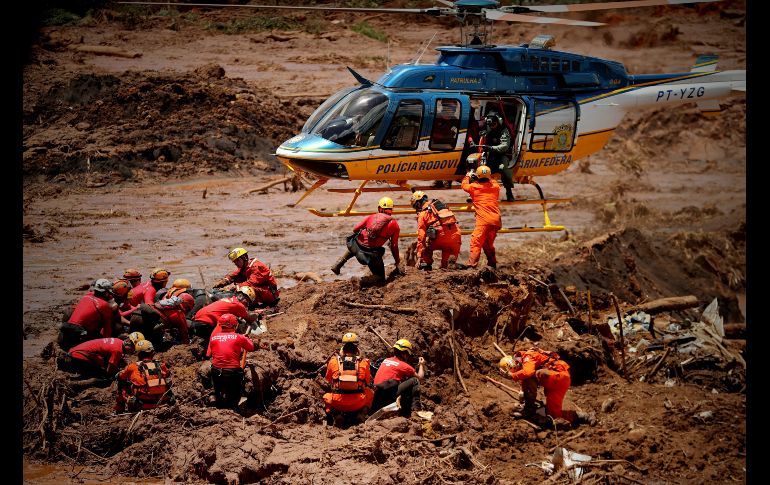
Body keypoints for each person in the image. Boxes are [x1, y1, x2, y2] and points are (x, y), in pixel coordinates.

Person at [498, 348, 595, 427]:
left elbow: (528, 373)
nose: (517, 371)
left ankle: (529, 409)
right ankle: (585, 416)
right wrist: (523, 393)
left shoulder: (528, 356)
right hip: (561, 380)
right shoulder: (526, 360)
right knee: (554, 415)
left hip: (556, 376)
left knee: (528, 377)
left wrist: (512, 376)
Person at [331, 197, 402, 281]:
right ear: (391, 209)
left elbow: (355, 229)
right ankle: (361, 281)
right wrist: (397, 261)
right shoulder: (394, 225)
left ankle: (338, 264)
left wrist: (366, 232)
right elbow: (394, 246)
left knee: (355, 239)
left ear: (379, 208)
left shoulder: (372, 217)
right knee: (380, 277)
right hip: (370, 256)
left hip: (355, 248)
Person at [322, 332, 374, 427]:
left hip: (338, 403)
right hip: (358, 402)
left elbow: (328, 380)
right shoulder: (364, 362)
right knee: (370, 393)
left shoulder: (333, 361)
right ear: (357, 349)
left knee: (326, 396)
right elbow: (367, 382)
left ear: (343, 349)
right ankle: (361, 414)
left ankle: (336, 415)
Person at [206, 313, 257, 410]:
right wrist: (246, 339)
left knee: (218, 390)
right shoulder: (239, 337)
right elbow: (251, 347)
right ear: (235, 325)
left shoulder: (213, 337)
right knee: (235, 393)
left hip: (216, 371)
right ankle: (233, 408)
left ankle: (218, 402)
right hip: (233, 372)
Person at [58, 279, 119, 351]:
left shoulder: (86, 296)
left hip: (64, 333)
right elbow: (107, 331)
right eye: (109, 293)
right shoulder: (104, 305)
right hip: (79, 336)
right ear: (106, 293)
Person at [371, 339, 426, 418]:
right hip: (388, 395)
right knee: (415, 380)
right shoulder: (404, 366)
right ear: (404, 354)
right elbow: (420, 378)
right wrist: (421, 365)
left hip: (376, 395)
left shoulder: (386, 360)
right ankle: (417, 410)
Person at [116, 339, 174, 412]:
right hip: (163, 403)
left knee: (121, 382)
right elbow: (168, 374)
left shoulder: (132, 366)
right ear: (152, 353)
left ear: (138, 354)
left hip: (142, 405)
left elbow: (120, 376)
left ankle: (120, 409)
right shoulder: (161, 365)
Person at [461, 165, 502, 269]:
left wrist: (468, 175)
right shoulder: (496, 186)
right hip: (496, 220)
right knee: (488, 244)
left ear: (477, 176)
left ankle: (471, 266)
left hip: (483, 221)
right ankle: (492, 264)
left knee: (476, 242)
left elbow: (464, 185)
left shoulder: (474, 187)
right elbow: (492, 181)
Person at [190, 286, 260, 346]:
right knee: (226, 339)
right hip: (205, 325)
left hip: (195, 321)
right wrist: (257, 314)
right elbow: (249, 319)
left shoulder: (227, 299)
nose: (246, 305)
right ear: (242, 297)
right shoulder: (239, 305)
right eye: (247, 302)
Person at [57, 333, 141, 382]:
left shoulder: (118, 341)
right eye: (133, 349)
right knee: (105, 379)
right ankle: (76, 384)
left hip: (76, 351)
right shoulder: (118, 350)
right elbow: (110, 371)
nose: (133, 352)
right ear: (129, 344)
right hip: (79, 356)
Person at [410, 191, 461, 270]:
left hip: (440, 237)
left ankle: (425, 264)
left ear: (418, 203)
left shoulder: (423, 214)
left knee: (425, 244)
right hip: (455, 237)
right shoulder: (442, 206)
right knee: (446, 266)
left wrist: (419, 255)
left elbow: (421, 236)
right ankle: (448, 264)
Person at [212, 248, 279, 308]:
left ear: (244, 258)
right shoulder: (246, 266)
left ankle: (241, 304)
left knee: (246, 289)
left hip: (270, 294)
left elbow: (251, 283)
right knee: (238, 279)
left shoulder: (257, 266)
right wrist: (225, 281)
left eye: (237, 260)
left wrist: (236, 287)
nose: (235, 263)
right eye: (234, 261)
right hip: (262, 290)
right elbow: (235, 274)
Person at [471, 112, 514, 202]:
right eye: (490, 125)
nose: (491, 126)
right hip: (489, 154)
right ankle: (474, 192)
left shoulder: (504, 131)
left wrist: (491, 148)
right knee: (479, 169)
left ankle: (509, 191)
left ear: (498, 122)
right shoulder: (486, 129)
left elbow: (504, 146)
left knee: (503, 168)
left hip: (502, 155)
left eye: (493, 124)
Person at [129, 292, 195, 348]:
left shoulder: (164, 302)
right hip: (148, 323)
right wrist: (186, 345)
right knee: (154, 345)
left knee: (132, 340)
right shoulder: (179, 314)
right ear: (187, 307)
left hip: (136, 314)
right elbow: (184, 333)